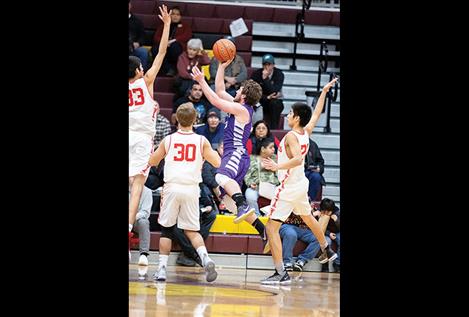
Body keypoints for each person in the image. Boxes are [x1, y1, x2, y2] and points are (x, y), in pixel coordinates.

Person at [260, 77, 338, 284]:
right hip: (300, 184)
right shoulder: (306, 131)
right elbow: (316, 114)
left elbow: (297, 159)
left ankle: (280, 273)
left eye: (291, 113)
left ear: (296, 118)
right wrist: (323, 93)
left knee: (271, 228)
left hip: (288, 186)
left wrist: (277, 166)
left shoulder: (293, 137)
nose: (287, 115)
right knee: (308, 218)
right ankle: (326, 248)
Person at [191, 61, 270, 253]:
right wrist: (221, 65)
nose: (236, 90)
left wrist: (201, 81)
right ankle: (262, 230)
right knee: (229, 203)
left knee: (220, 177)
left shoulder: (243, 110)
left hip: (236, 153)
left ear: (243, 95)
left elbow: (216, 102)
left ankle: (243, 204)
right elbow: (219, 90)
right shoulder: (238, 105)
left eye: (239, 89)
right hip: (234, 155)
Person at [148, 103, 221, 282]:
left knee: (166, 230)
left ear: (177, 120)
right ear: (195, 119)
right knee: (192, 230)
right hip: (191, 189)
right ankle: (205, 258)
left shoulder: (169, 140)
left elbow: (152, 161)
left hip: (172, 188)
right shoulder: (201, 140)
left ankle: (162, 270)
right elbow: (217, 163)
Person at [129, 5, 171, 257]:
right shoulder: (146, 81)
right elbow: (162, 51)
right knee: (137, 186)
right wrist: (166, 25)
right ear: (137, 71)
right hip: (142, 139)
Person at [174, 183, 218, 267]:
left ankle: (189, 254)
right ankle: (196, 256)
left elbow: (209, 205)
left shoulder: (200, 186)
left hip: (198, 212)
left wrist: (205, 208)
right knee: (174, 226)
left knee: (212, 215)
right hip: (179, 214)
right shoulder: (177, 186)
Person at [151, 6, 192, 76]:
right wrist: (165, 43)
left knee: (174, 47)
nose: (175, 16)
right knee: (155, 49)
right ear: (169, 15)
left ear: (180, 16)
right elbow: (156, 37)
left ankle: (174, 69)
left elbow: (187, 36)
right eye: (173, 14)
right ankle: (166, 69)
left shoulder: (185, 26)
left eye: (177, 14)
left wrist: (173, 41)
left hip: (177, 47)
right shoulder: (163, 25)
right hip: (164, 46)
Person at [244, 137, 280, 216]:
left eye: (273, 147)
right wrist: (250, 184)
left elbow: (281, 176)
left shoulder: (275, 159)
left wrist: (275, 169)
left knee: (281, 196)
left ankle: (270, 215)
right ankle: (256, 216)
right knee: (250, 195)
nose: (274, 149)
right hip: (256, 187)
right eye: (271, 147)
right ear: (263, 149)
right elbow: (247, 175)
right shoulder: (252, 159)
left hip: (272, 186)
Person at [250, 54, 285, 129]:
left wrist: (265, 79)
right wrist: (266, 97)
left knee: (275, 103)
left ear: (273, 65)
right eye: (265, 64)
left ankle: (273, 129)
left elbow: (275, 91)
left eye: (269, 64)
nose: (266, 67)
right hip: (260, 100)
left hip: (272, 102)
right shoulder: (256, 74)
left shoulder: (279, 74)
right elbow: (252, 91)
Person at [129, 185, 153, 266]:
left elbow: (145, 212)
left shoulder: (147, 191)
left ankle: (143, 255)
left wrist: (131, 218)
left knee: (144, 222)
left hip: (136, 221)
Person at [129, 0, 149, 71]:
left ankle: (140, 77)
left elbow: (143, 36)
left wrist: (138, 43)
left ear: (130, 5)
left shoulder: (137, 21)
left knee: (143, 52)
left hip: (133, 47)